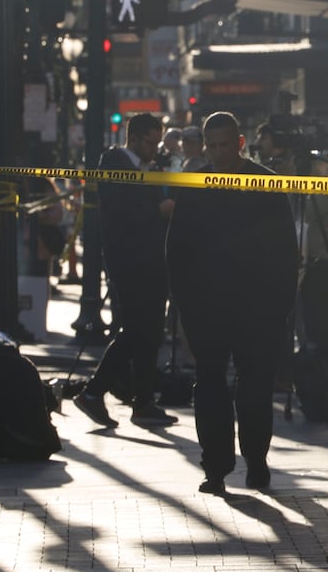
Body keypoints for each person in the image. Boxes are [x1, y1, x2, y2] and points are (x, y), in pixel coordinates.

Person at [167, 112, 298, 494]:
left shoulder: (265, 184)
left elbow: (285, 250)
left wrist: (281, 303)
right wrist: (183, 304)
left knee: (254, 387)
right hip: (207, 306)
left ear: (239, 143)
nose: (219, 152)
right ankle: (216, 468)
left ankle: (255, 461)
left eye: (226, 145)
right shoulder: (195, 187)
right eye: (213, 146)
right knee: (209, 384)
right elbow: (177, 250)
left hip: (257, 307)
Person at [73, 113, 179, 429]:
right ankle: (94, 391)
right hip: (130, 260)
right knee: (135, 328)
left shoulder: (150, 167)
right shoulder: (115, 164)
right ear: (134, 138)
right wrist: (157, 210)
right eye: (150, 142)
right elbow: (121, 212)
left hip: (153, 259)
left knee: (151, 331)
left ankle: (143, 401)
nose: (154, 148)